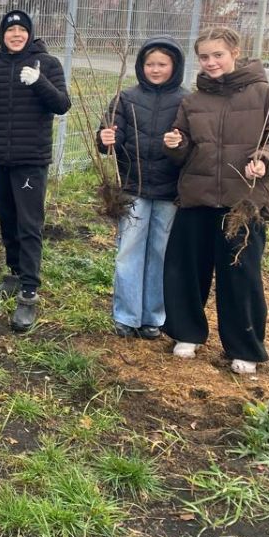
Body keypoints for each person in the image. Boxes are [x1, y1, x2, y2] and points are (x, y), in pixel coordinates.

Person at [161, 26, 269, 375]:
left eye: (217, 55)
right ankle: (186, 333)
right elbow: (185, 149)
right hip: (198, 197)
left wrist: (266, 159)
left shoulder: (265, 96)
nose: (211, 63)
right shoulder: (192, 101)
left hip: (244, 202)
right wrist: (176, 146)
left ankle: (244, 347)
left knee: (240, 276)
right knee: (187, 270)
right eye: (204, 57)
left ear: (235, 52)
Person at [0, 9, 70, 332]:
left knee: (29, 225)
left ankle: (29, 289)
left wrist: (39, 82)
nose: (15, 35)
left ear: (29, 33)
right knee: (8, 220)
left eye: (21, 31)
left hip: (31, 159)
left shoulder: (47, 64)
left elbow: (61, 104)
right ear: (2, 35)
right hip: (0, 157)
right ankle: (13, 273)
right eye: (10, 31)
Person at [96, 37, 188, 340]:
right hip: (132, 187)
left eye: (162, 64)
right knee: (129, 251)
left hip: (169, 190)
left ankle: (153, 317)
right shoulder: (126, 98)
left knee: (161, 253)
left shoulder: (186, 101)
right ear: (140, 66)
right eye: (150, 64)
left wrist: (181, 144)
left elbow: (193, 145)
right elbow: (110, 137)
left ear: (174, 66)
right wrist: (105, 138)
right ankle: (126, 315)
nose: (155, 69)